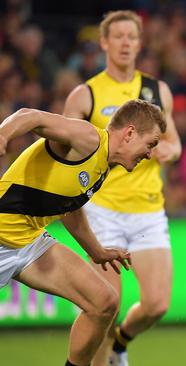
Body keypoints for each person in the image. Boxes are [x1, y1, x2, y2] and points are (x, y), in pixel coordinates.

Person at [0, 99, 166, 366]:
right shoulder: (88, 138)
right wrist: (3, 135)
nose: (149, 154)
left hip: (28, 241)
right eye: (151, 144)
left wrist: (97, 251)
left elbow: (70, 208)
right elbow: (30, 115)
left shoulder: (101, 168)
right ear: (130, 133)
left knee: (104, 302)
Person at [63, 10, 182, 366]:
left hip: (147, 209)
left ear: (140, 43)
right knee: (105, 308)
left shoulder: (156, 90)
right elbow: (66, 150)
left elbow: (174, 143)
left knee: (157, 303)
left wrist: (167, 150)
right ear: (104, 43)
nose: (126, 43)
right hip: (102, 209)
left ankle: (120, 345)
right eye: (118, 37)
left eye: (132, 37)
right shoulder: (86, 95)